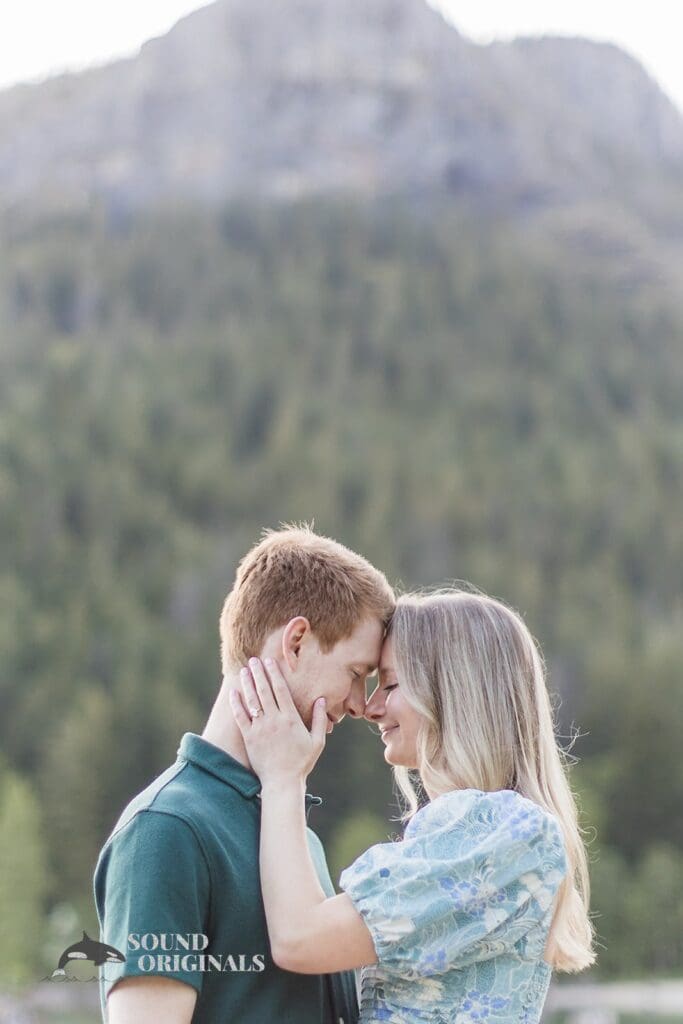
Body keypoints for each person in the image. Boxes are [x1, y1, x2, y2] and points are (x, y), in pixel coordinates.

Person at [230, 589, 596, 1023]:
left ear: (454, 691)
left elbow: (299, 939)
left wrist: (283, 777)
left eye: (391, 684)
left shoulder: (502, 830)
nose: (370, 706)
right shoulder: (488, 832)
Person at [93, 524, 395, 1024]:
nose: (362, 705)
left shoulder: (294, 834)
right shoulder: (165, 830)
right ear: (295, 641)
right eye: (355, 673)